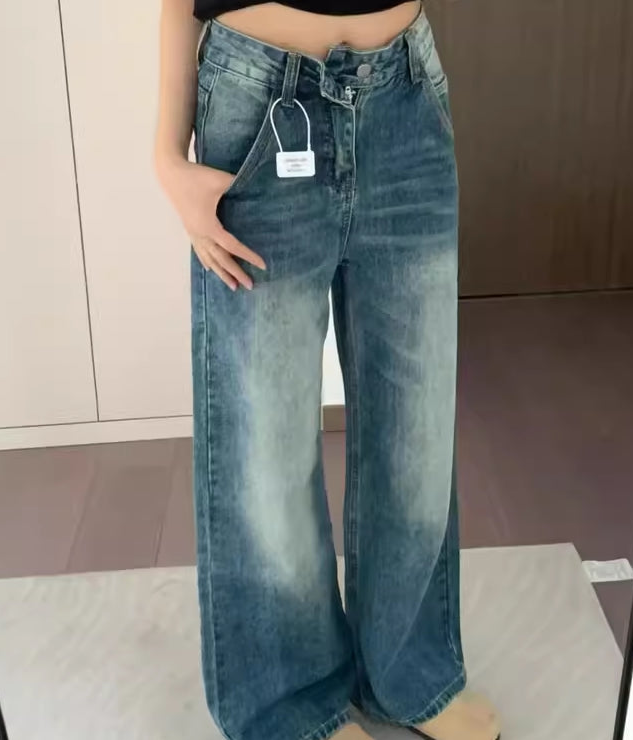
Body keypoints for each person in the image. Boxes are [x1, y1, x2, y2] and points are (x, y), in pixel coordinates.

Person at [154, 2, 500, 739]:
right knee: (266, 447)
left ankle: (407, 673)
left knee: (416, 430)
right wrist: (165, 154)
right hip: (258, 104)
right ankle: (289, 701)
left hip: (404, 92)